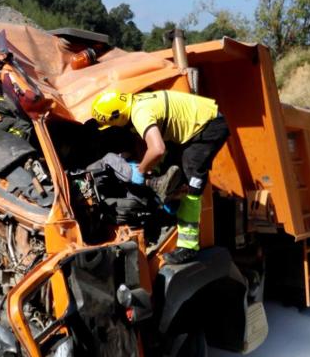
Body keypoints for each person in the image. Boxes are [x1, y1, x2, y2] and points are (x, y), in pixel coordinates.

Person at [91, 89, 229, 264]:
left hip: (208, 126)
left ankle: (188, 247)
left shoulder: (140, 113)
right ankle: (169, 196)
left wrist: (140, 171)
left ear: (117, 115)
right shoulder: (138, 101)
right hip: (196, 128)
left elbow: (157, 149)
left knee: (191, 187)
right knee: (169, 167)